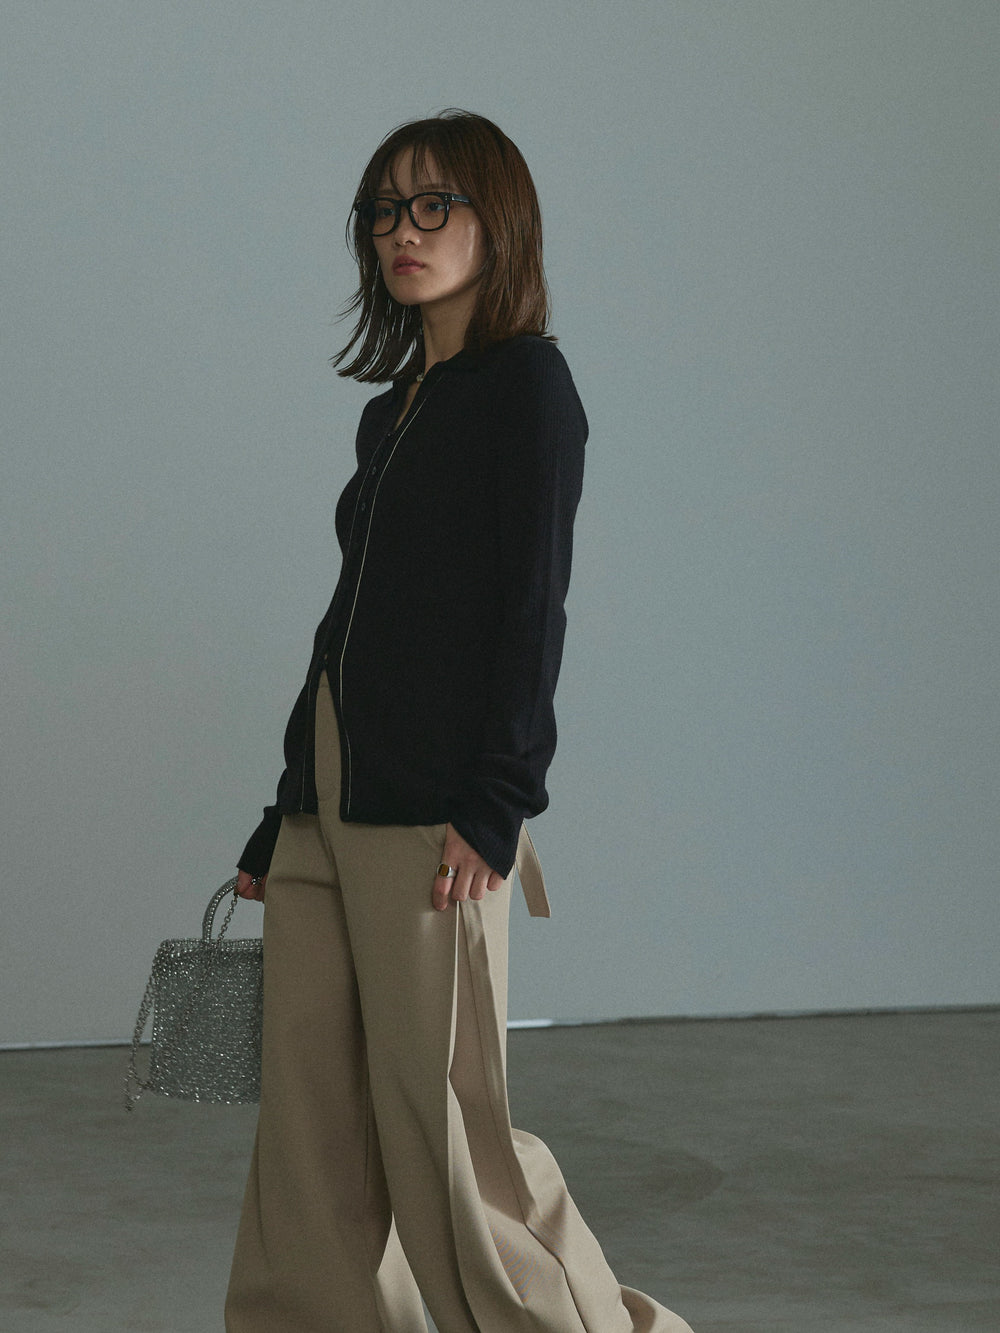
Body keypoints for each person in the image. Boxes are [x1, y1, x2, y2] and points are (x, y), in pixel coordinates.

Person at [225, 109, 694, 1333]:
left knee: (443, 1126)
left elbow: (531, 607)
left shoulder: (527, 387)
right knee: (309, 1129)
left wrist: (498, 800)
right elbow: (350, 618)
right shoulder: (395, 407)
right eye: (386, 208)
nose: (406, 229)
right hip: (330, 796)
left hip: (436, 805)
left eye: (435, 203)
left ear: (501, 222)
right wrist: (283, 808)